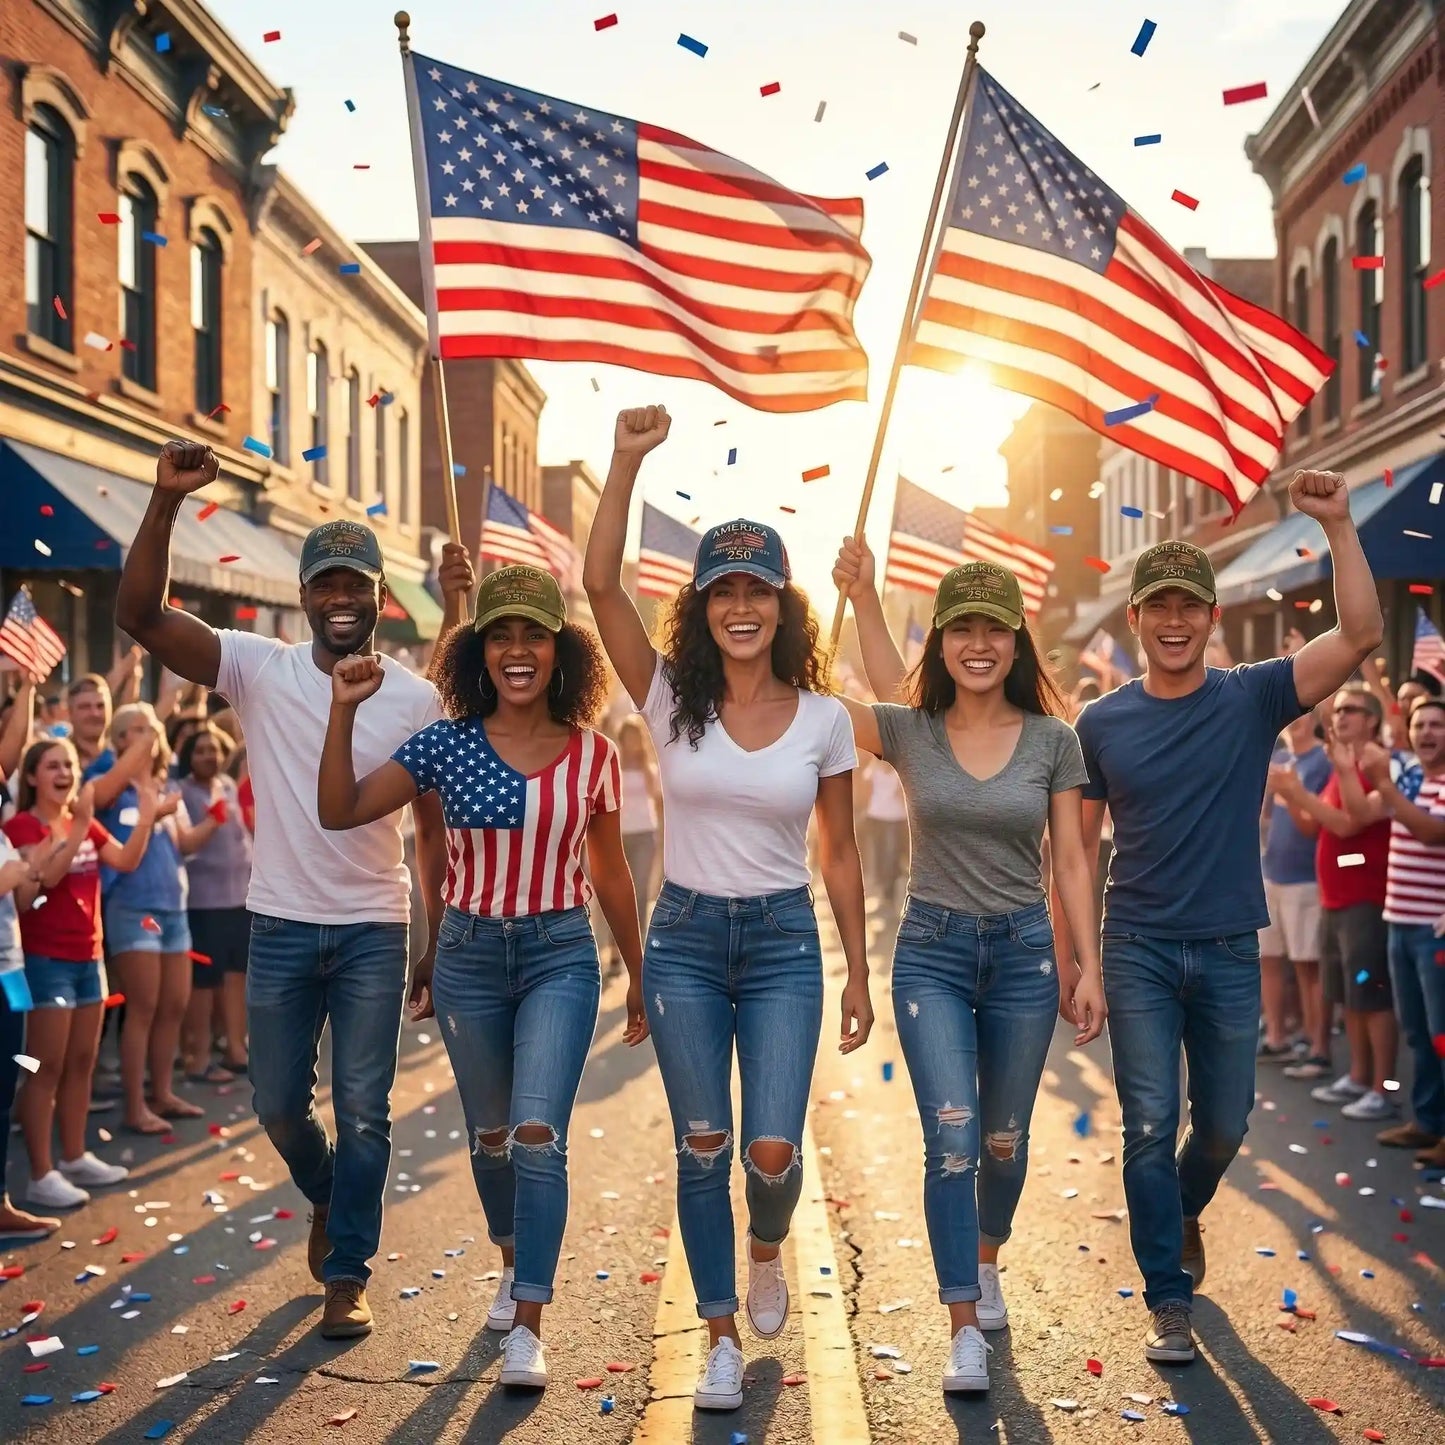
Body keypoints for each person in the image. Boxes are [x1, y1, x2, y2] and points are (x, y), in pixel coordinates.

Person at [114, 439, 475, 1340]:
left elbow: (429, 829)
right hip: (276, 923)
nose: (342, 597)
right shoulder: (255, 667)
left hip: (371, 928)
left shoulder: (415, 698)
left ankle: (347, 1271)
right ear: (305, 594)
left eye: (358, 583)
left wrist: (433, 936)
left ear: (380, 593)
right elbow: (139, 616)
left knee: (365, 1107)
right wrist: (162, 502)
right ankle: (330, 1196)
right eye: (327, 583)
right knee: (278, 1103)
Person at [583, 405, 873, 1413]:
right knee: (702, 1142)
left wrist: (858, 972)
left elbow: (838, 850)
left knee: (771, 1148)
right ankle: (715, 1328)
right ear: (700, 607)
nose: (740, 605)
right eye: (723, 590)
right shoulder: (671, 703)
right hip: (687, 942)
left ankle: (765, 1242)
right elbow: (596, 586)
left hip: (787, 942)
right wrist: (624, 461)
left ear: (780, 606)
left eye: (757, 589)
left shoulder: (828, 718)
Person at [1058, 470, 1383, 1367]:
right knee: (1146, 1121)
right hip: (1136, 947)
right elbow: (1075, 852)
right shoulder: (1101, 722)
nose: (1173, 621)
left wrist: (1338, 525)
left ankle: (1179, 1207)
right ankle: (1168, 1295)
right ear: (1134, 619)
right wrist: (1075, 961)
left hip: (1230, 946)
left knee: (1226, 1123)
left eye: (1188, 607)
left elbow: (1359, 632)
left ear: (1208, 618)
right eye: (1156, 606)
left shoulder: (1251, 696)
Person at [318, 564, 649, 1390]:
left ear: (560, 649)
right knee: (492, 1138)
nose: (516, 649)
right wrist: (340, 710)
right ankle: (511, 1261)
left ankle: (529, 1321)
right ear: (478, 652)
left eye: (533, 633)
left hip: (559, 956)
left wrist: (638, 973)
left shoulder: (594, 757)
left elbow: (609, 874)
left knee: (538, 1134)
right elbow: (340, 809)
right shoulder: (442, 745)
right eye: (499, 634)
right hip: (467, 957)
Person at [833, 540, 1103, 1393]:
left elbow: (1069, 862)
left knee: (1003, 1141)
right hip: (932, 956)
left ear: (1017, 641)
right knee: (951, 1137)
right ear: (941, 639)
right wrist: (862, 596)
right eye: (961, 627)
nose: (977, 642)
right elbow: (860, 694)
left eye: (994, 627)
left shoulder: (1053, 740)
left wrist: (1082, 965)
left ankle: (986, 1257)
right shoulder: (912, 731)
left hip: (1023, 954)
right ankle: (961, 1323)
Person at [3, 739, 156, 1208]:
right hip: (47, 964)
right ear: (32, 777)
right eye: (52, 765)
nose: (65, 772)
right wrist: (83, 823)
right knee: (43, 1068)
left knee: (82, 1063)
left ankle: (73, 1156)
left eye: (69, 763)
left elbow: (126, 860)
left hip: (90, 959)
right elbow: (45, 880)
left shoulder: (80, 823)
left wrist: (147, 814)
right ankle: (40, 1174)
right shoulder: (23, 826)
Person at [1270, 687, 1399, 1121]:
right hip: (1334, 898)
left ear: (1373, 721)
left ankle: (1385, 1087)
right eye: (1338, 710)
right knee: (1349, 994)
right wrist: (1289, 794)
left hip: (1366, 899)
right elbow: (1314, 826)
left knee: (1373, 996)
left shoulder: (1382, 764)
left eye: (1351, 710)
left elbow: (1350, 823)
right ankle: (1360, 1077)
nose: (1340, 717)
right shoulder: (1338, 768)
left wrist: (1300, 792)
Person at [91, 703, 220, 1133]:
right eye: (135, 730)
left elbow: (182, 844)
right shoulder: (108, 787)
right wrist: (156, 714)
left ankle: (161, 1093)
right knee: (143, 1007)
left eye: (150, 730)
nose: (147, 736)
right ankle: (134, 1105)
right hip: (134, 908)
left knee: (173, 1005)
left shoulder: (165, 786)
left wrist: (211, 823)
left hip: (173, 910)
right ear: (120, 740)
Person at [1341, 699, 1445, 1164]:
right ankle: (1426, 1124)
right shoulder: (1410, 778)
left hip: (1434, 929)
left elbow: (1428, 832)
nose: (1426, 733)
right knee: (1419, 1032)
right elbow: (1362, 813)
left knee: (1442, 1034)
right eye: (1420, 724)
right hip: (1398, 922)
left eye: (1437, 726)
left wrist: (1383, 779)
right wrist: (1346, 767)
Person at [0, 773, 60, 1240]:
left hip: (11, 971)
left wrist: (32, 865)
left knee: (6, 1084)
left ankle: (1, 1200)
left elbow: (22, 900)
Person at [176, 722, 252, 1082]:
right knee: (204, 983)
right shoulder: (181, 792)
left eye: (214, 749)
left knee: (236, 975)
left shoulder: (227, 786)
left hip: (240, 897)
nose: (209, 756)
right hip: (204, 902)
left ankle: (236, 1048)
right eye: (200, 750)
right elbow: (186, 843)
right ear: (189, 756)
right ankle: (199, 1056)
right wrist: (210, 820)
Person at [1259, 712, 1330, 1069]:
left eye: (1303, 714)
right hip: (1271, 872)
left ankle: (1316, 1044)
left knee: (1307, 967)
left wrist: (1291, 791)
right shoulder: (1280, 759)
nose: (1295, 720)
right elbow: (1266, 819)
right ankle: (1276, 1036)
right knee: (1269, 960)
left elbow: (1318, 826)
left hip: (1306, 877)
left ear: (1315, 714)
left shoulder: (1323, 760)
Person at [616, 715, 663, 932]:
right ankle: (617, 946)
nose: (632, 742)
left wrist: (664, 838)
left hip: (645, 833)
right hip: (620, 835)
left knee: (641, 888)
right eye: (628, 738)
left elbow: (659, 805)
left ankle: (641, 938)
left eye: (635, 737)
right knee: (621, 890)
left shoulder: (650, 769)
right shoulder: (614, 768)